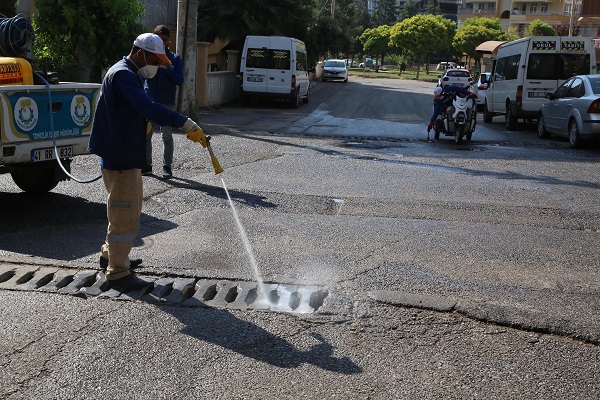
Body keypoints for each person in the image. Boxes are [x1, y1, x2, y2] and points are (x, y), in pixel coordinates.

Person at [89, 33, 208, 291]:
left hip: (121, 154)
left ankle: (110, 255)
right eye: (155, 60)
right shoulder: (123, 75)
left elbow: (135, 109)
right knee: (125, 215)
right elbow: (147, 106)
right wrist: (183, 122)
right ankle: (118, 273)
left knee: (121, 211)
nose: (157, 66)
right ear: (141, 53)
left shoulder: (126, 73)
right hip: (120, 157)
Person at [143, 25, 183, 179]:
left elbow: (179, 80)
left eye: (164, 40)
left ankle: (167, 167)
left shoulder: (174, 58)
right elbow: (141, 76)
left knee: (166, 135)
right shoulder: (148, 55)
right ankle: (147, 165)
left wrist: (169, 69)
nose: (161, 42)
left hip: (166, 101)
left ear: (168, 41)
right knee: (146, 135)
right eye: (158, 39)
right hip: (149, 100)